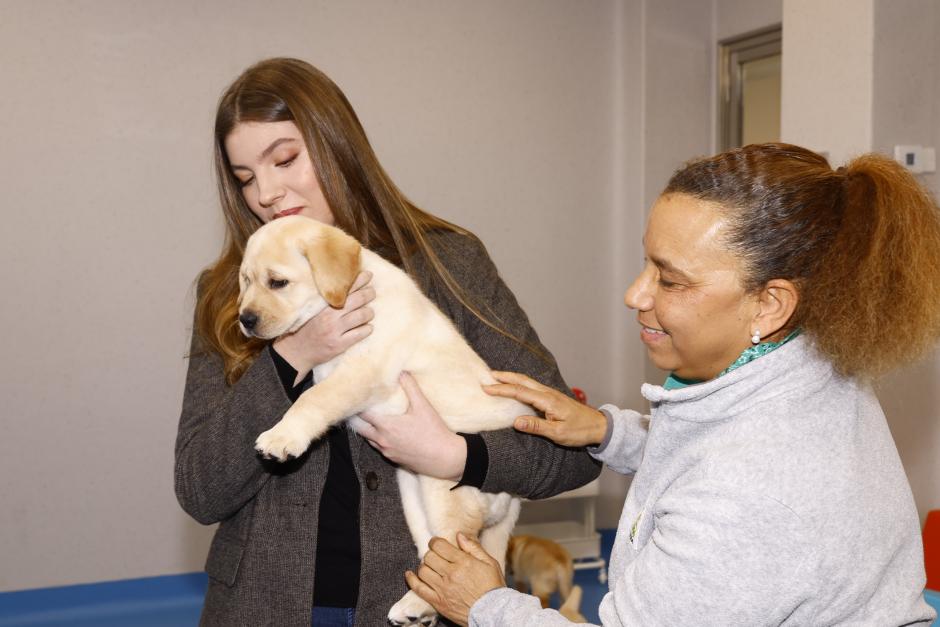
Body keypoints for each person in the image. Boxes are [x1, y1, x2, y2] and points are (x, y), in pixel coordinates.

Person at [405, 143, 940, 626]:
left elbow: (738, 483)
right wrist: (609, 432)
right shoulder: (811, 367)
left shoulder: (757, 488)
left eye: (671, 279)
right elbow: (712, 452)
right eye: (647, 264)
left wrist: (487, 605)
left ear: (769, 303)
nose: (635, 295)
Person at [173, 57, 601, 627]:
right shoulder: (235, 293)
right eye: (246, 177)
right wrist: (290, 357)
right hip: (262, 605)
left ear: (336, 145)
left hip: (425, 601)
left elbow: (568, 450)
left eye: (285, 159)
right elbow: (201, 490)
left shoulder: (448, 262)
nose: (267, 193)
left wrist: (458, 454)